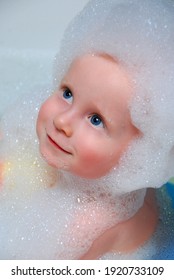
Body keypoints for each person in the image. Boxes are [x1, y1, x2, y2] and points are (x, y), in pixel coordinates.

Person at [0, 0, 174, 259]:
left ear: (135, 154)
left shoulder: (88, 223)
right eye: (68, 93)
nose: (62, 121)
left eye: (96, 120)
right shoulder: (86, 165)